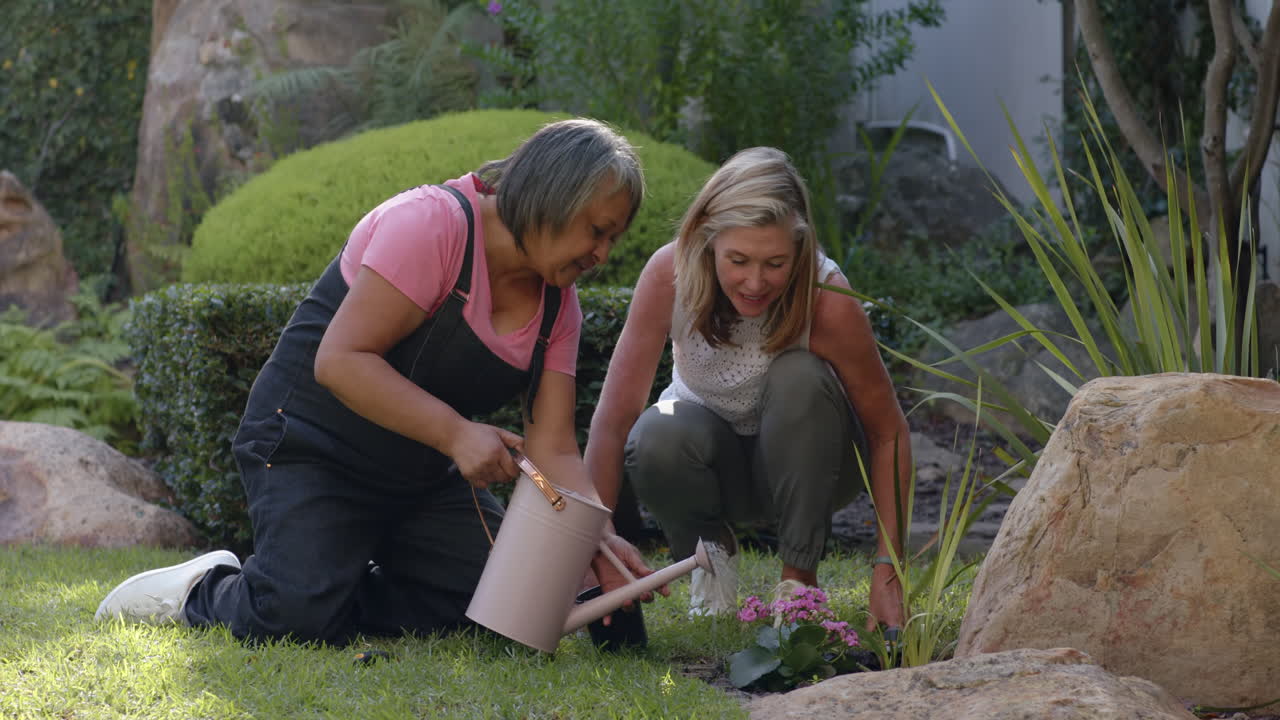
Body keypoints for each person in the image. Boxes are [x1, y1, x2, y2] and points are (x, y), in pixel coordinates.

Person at [96, 118, 658, 645]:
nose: (603, 254)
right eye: (597, 232)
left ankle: (334, 580)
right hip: (308, 449)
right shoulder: (431, 224)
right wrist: (458, 435)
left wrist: (591, 536)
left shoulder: (560, 307)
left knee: (496, 611)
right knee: (293, 616)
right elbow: (340, 361)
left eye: (612, 238)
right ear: (552, 197)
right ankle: (206, 588)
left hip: (419, 478)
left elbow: (553, 445)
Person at [583, 147, 911, 628]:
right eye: (738, 260)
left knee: (797, 375)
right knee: (657, 428)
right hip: (707, 453)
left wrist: (889, 571)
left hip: (815, 465)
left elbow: (889, 435)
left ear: (799, 249)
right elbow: (614, 420)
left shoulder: (827, 298)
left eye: (775, 263)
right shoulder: (668, 275)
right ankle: (710, 561)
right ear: (707, 239)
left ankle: (798, 582)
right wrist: (596, 537)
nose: (755, 282)